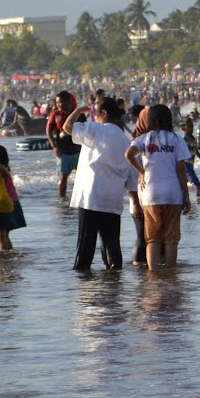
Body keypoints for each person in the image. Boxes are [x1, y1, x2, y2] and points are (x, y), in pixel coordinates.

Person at [67, 96, 132, 270]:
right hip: (113, 197)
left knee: (85, 246)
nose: (92, 116)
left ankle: (83, 280)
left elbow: (67, 127)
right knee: (112, 244)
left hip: (92, 195)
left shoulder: (95, 129)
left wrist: (78, 110)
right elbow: (130, 174)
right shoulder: (125, 140)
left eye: (94, 112)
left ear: (103, 113)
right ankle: (114, 280)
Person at [126, 103, 193, 269]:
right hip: (173, 193)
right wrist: (186, 196)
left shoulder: (144, 138)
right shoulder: (177, 139)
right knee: (171, 239)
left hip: (151, 193)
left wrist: (141, 172)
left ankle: (153, 275)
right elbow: (181, 170)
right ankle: (170, 275)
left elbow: (128, 155)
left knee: (152, 238)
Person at [47, 90, 82, 199]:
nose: (58, 105)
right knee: (63, 176)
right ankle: (62, 200)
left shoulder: (78, 114)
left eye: (60, 102)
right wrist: (54, 146)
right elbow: (48, 130)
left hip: (78, 151)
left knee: (82, 176)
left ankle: (81, 198)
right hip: (63, 152)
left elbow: (85, 131)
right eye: (57, 102)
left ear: (68, 101)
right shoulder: (55, 114)